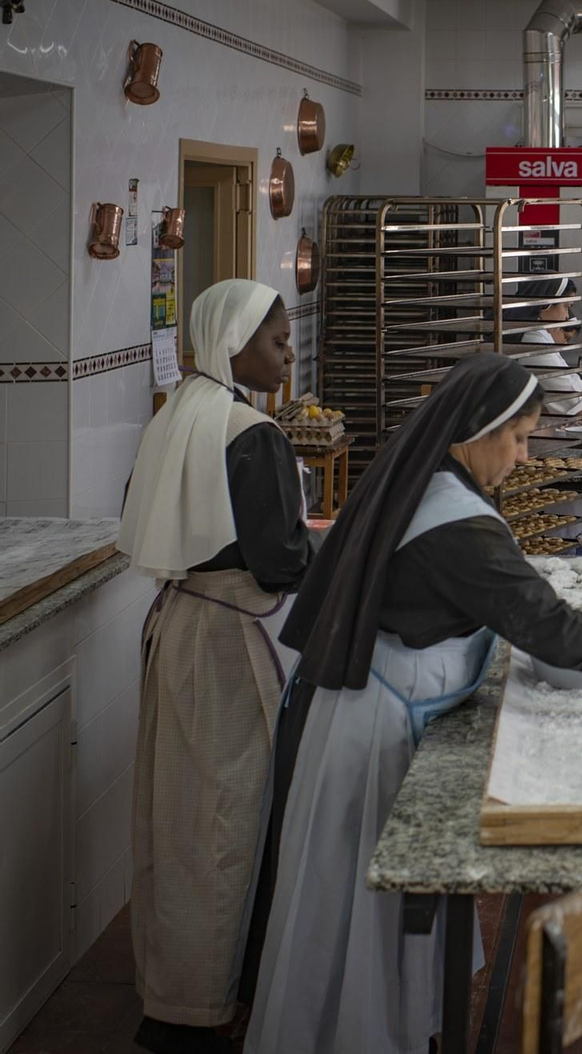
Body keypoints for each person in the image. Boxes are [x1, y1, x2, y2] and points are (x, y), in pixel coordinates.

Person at [244, 355, 582, 1054]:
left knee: (371, 924)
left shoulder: (430, 478)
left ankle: (395, 1028)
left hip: (374, 706)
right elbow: (550, 627)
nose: (523, 455)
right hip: (371, 731)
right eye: (518, 439)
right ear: (475, 431)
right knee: (356, 920)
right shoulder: (454, 521)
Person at [118, 280, 316, 1054]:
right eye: (277, 340)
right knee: (228, 824)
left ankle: (171, 992)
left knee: (177, 819)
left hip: (177, 629)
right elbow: (277, 560)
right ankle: (204, 1009)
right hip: (232, 645)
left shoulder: (177, 419)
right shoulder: (250, 433)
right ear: (234, 341)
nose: (288, 353)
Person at [512, 275, 582, 532]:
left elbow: (577, 387)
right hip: (533, 447)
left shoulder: (540, 338)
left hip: (544, 440)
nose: (566, 316)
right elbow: (573, 402)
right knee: (563, 524)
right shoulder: (533, 342)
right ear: (544, 306)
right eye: (565, 307)